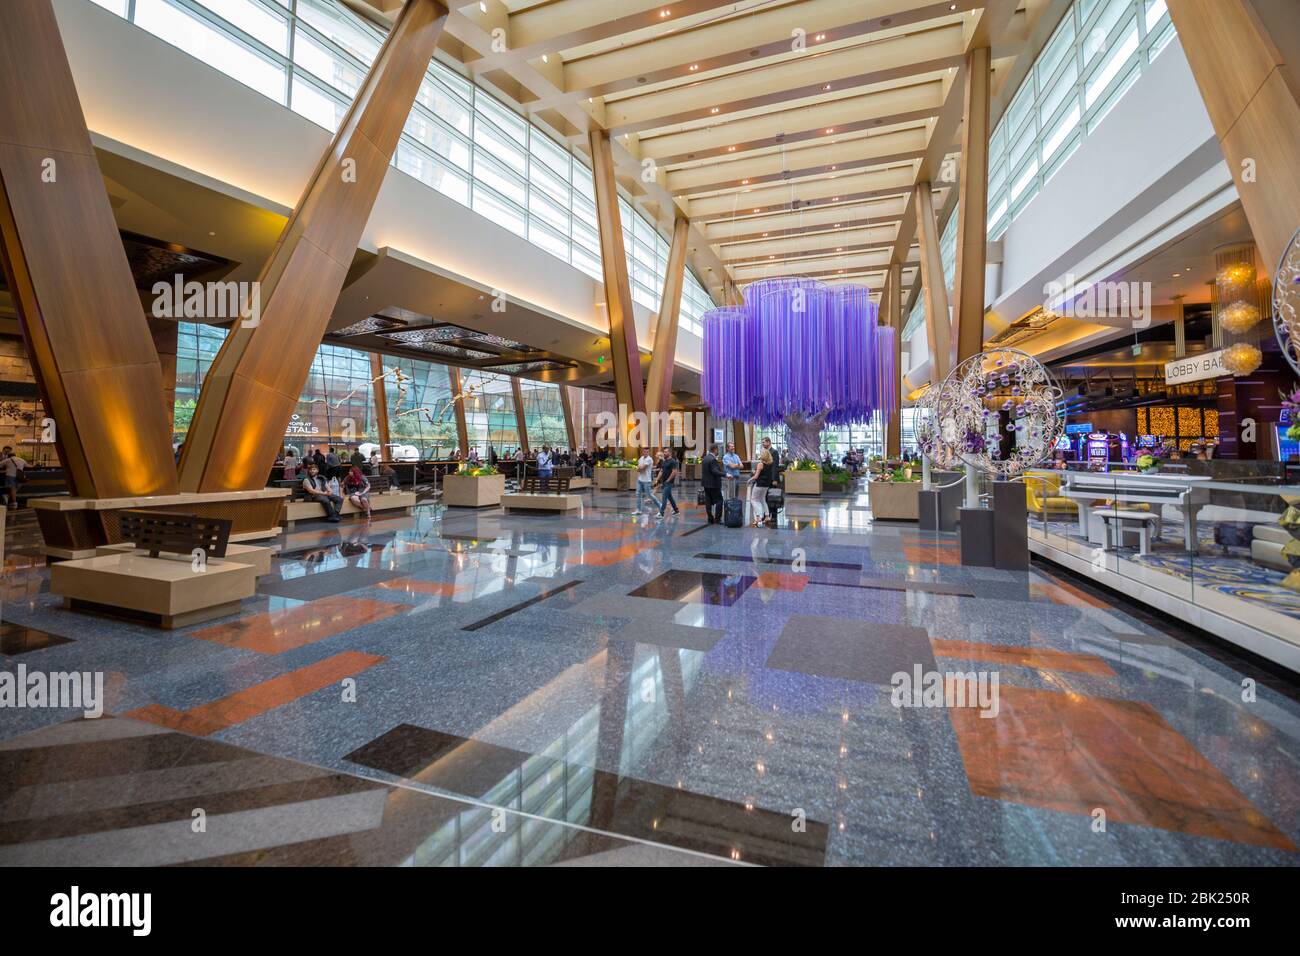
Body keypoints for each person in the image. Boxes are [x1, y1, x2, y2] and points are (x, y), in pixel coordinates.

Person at [747, 440, 774, 527]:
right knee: (762, 500)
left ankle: (758, 517)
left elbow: (756, 476)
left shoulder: (760, 464)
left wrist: (749, 480)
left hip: (759, 484)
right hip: (766, 485)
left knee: (753, 500)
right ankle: (767, 516)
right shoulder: (770, 464)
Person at [701, 443, 725, 524]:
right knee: (719, 501)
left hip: (706, 484)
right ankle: (717, 519)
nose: (718, 451)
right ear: (715, 450)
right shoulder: (713, 459)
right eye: (717, 449)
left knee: (708, 501)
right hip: (714, 484)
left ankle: (710, 518)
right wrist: (725, 474)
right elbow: (715, 471)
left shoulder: (705, 458)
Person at [656, 448, 681, 518]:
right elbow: (661, 471)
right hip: (664, 482)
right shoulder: (664, 461)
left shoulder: (673, 461)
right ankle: (676, 510)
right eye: (664, 452)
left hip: (668, 483)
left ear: (669, 453)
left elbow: (674, 472)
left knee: (664, 497)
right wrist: (657, 479)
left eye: (666, 452)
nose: (664, 453)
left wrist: (668, 480)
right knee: (670, 497)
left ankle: (661, 513)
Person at [1, 446, 27, 510]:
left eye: (8, 451)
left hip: (10, 475)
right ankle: (9, 499)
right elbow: (28, 465)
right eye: (6, 451)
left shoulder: (8, 459)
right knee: (14, 488)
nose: (7, 452)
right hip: (19, 476)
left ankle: (10, 500)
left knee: (11, 488)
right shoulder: (21, 459)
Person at [636, 448, 661, 513]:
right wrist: (639, 468)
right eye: (645, 451)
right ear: (642, 452)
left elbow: (642, 468)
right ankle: (638, 510)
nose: (646, 453)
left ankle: (660, 505)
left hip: (647, 480)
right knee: (638, 494)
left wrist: (639, 468)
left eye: (647, 452)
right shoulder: (641, 458)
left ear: (648, 452)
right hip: (640, 479)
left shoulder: (649, 459)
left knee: (649, 494)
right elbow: (638, 467)